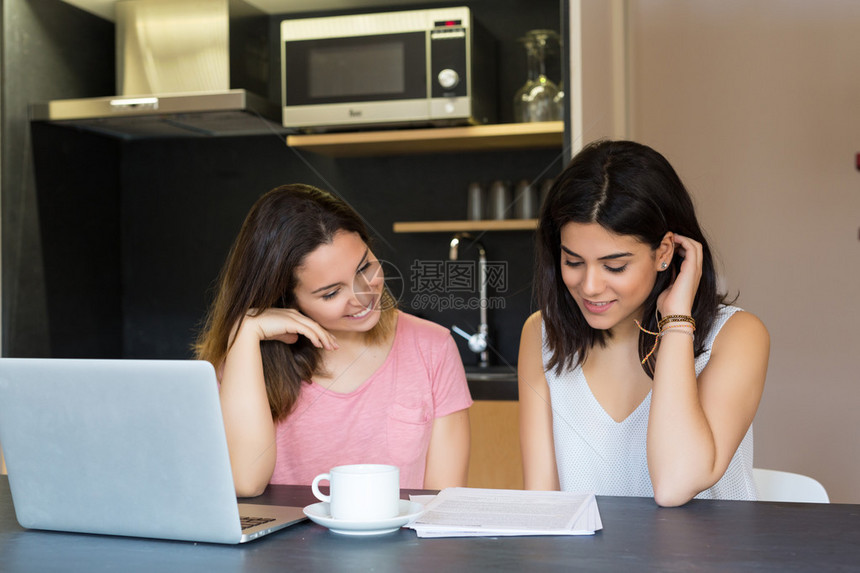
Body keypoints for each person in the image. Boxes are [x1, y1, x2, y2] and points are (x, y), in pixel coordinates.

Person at [518, 140, 769, 507]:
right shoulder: (541, 334)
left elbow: (676, 484)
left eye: (614, 266)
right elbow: (541, 504)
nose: (589, 286)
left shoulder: (736, 336)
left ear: (664, 252)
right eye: (573, 262)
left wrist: (677, 323)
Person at [195, 184, 472, 497]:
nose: (364, 294)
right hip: (284, 548)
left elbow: (442, 504)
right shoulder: (245, 359)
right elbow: (245, 483)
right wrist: (244, 333)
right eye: (331, 292)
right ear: (287, 299)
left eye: (365, 267)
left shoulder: (432, 347)